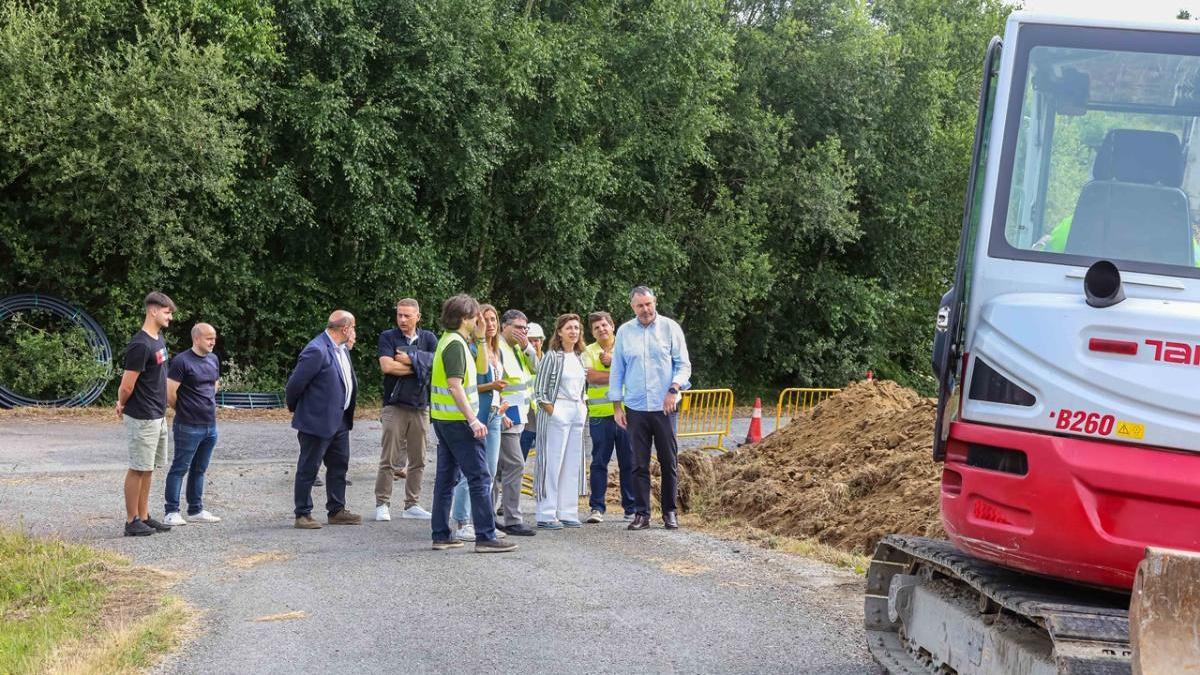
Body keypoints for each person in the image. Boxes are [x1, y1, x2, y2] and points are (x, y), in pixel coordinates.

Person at [429, 294, 517, 553]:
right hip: (458, 422)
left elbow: (480, 370)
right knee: (480, 477)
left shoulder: (454, 341)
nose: (479, 319)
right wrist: (473, 419)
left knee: (446, 479)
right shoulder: (455, 345)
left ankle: (441, 535)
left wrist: (479, 338)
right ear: (465, 318)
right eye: (476, 316)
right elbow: (455, 386)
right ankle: (485, 536)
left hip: (445, 421)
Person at [610, 286, 691, 531]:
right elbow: (617, 371)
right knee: (638, 463)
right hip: (635, 406)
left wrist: (674, 389)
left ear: (655, 302)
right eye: (639, 306)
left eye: (648, 304)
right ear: (632, 307)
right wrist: (617, 405)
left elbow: (684, 365)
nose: (645, 310)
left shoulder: (670, 328)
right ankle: (641, 514)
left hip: (664, 406)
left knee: (668, 461)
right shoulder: (625, 332)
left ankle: (669, 512)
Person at [286, 310, 362, 529]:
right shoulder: (316, 350)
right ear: (345, 329)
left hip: (339, 419)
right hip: (316, 420)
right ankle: (302, 513)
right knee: (309, 466)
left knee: (339, 465)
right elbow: (294, 385)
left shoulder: (341, 349)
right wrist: (299, 410)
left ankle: (337, 510)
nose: (355, 332)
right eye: (353, 327)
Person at [116, 292, 177, 537]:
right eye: (167, 312)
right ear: (153, 311)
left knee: (149, 467)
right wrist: (121, 403)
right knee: (137, 468)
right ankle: (131, 521)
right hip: (141, 416)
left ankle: (144, 516)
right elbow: (127, 384)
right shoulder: (140, 344)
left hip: (157, 414)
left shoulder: (157, 339)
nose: (170, 317)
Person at [449, 304, 510, 541]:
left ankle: (483, 521)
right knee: (473, 470)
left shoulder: (499, 351)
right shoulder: (472, 348)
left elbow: (498, 382)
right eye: (486, 320)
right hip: (478, 414)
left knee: (490, 471)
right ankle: (463, 521)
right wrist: (492, 388)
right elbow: (469, 385)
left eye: (494, 319)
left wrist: (501, 403)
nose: (491, 324)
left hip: (495, 414)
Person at [373, 298, 437, 522]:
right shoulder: (388, 337)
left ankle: (412, 504)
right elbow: (387, 366)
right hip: (394, 406)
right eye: (399, 315)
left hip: (420, 407)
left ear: (418, 316)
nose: (402, 319)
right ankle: (382, 503)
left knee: (418, 459)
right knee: (389, 458)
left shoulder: (428, 338)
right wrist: (420, 365)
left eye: (407, 315)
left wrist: (409, 358)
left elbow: (437, 366)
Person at [531, 314, 588, 529]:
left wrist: (582, 408)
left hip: (577, 410)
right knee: (552, 461)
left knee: (572, 462)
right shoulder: (551, 357)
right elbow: (540, 390)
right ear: (560, 332)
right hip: (558, 409)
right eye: (569, 328)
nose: (573, 331)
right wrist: (553, 411)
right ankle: (546, 513)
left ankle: (567, 510)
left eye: (576, 328)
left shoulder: (580, 358)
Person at [163, 323, 222, 526]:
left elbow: (214, 385)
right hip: (188, 425)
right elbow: (170, 393)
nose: (213, 341)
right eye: (208, 338)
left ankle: (195, 509)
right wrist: (186, 409)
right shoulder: (182, 361)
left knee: (200, 469)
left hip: (210, 425)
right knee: (180, 468)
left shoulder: (213, 359)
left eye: (214, 338)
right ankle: (171, 511)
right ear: (196, 338)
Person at [583, 311, 635, 523]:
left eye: (604, 325)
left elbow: (636, 373)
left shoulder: (626, 346)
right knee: (599, 463)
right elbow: (590, 376)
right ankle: (597, 508)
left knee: (628, 462)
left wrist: (614, 362)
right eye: (596, 328)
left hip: (627, 414)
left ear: (612, 326)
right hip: (599, 416)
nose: (601, 329)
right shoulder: (588, 351)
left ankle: (631, 508)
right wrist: (619, 371)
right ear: (592, 332)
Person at [493, 309, 538, 536]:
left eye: (525, 328)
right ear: (505, 326)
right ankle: (511, 518)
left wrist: (528, 347)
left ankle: (491, 517)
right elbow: (494, 382)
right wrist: (501, 413)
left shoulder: (517, 349)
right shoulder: (499, 348)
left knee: (500, 467)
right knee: (514, 464)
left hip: (519, 415)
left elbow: (536, 370)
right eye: (518, 327)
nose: (522, 332)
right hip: (504, 415)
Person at [520, 321, 546, 457]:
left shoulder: (550, 361)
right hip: (526, 423)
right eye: (529, 341)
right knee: (518, 461)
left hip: (544, 420)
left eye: (536, 340)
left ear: (542, 341)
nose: (533, 344)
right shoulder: (520, 362)